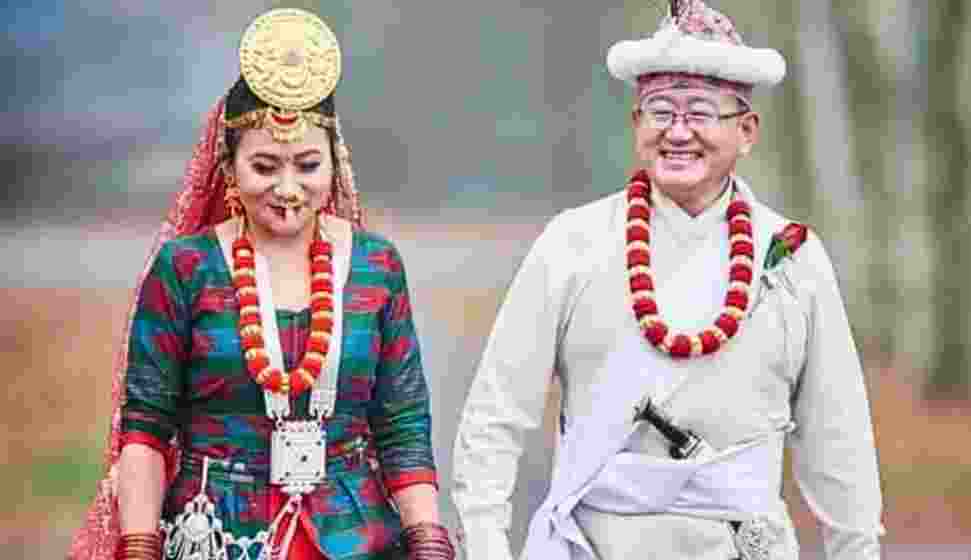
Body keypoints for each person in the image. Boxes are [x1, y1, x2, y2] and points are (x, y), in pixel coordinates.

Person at [452, 2, 885, 559]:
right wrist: (486, 544)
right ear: (637, 124)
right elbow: (495, 417)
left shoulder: (794, 258)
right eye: (660, 112)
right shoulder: (571, 243)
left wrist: (856, 549)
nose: (678, 132)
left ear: (746, 130)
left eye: (700, 112)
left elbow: (838, 439)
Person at [68, 8, 454, 560]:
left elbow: (403, 424)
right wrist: (139, 546)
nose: (289, 188)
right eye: (266, 167)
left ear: (335, 165)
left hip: (353, 537)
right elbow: (146, 431)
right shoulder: (187, 268)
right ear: (229, 168)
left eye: (308, 165)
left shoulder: (376, 266)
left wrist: (428, 540)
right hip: (214, 534)